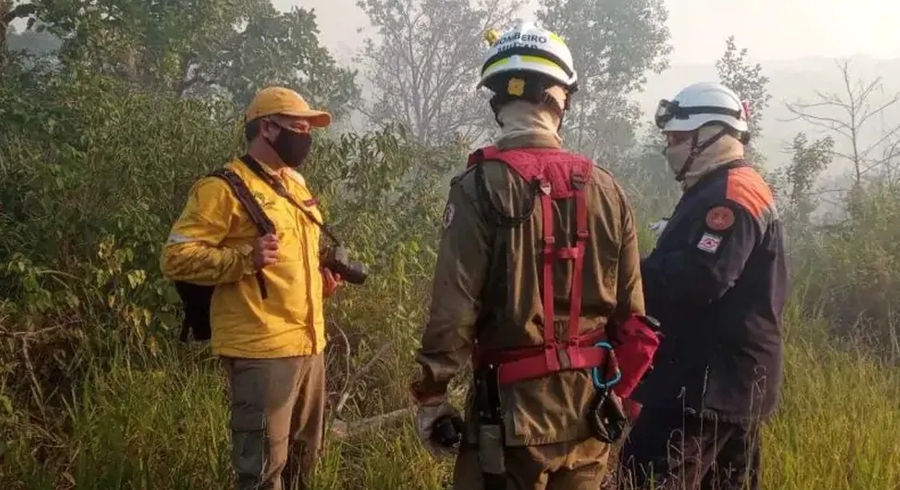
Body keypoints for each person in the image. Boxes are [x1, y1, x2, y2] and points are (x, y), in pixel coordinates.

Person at [408, 21, 659, 490]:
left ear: (498, 101)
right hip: (591, 412)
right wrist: (618, 395)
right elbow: (635, 319)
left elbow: (453, 308)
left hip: (508, 416)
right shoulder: (607, 188)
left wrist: (432, 394)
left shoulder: (477, 187)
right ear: (562, 100)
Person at [160, 86, 343, 490]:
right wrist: (245, 257)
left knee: (303, 464)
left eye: (309, 130)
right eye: (298, 127)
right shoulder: (222, 188)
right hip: (261, 349)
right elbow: (176, 257)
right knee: (262, 471)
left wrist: (320, 282)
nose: (306, 138)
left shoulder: (295, 185)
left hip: (309, 344)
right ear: (267, 129)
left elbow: (293, 259)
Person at [617, 82, 788, 490]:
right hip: (730, 385)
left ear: (708, 134)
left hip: (703, 388)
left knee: (643, 478)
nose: (669, 147)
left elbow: (703, 277)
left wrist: (629, 275)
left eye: (676, 137)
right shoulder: (717, 187)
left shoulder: (731, 194)